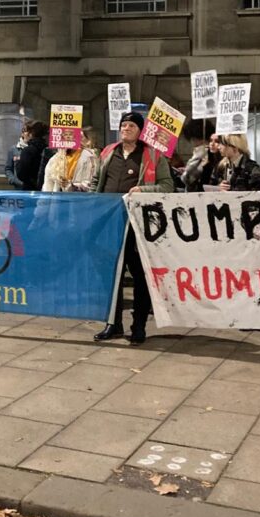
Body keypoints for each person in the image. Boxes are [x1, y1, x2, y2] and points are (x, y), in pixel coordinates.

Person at [91, 111, 174, 344]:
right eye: (123, 125)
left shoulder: (153, 156)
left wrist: (143, 190)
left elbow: (168, 186)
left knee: (139, 276)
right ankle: (113, 324)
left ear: (140, 131)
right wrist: (92, 201)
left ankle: (138, 327)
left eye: (131, 126)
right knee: (112, 277)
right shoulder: (109, 152)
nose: (125, 128)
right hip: (111, 224)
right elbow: (97, 181)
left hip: (138, 227)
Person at [42, 127, 100, 192]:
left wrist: (70, 186)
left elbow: (90, 184)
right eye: (65, 135)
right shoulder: (54, 159)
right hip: (56, 197)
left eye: (70, 134)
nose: (68, 137)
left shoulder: (88, 156)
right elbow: (47, 185)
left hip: (77, 197)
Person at [16, 120, 48, 191]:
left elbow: (21, 174)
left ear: (31, 134)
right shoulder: (48, 150)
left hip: (30, 191)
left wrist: (17, 163)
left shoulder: (27, 151)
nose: (23, 135)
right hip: (46, 190)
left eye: (25, 131)